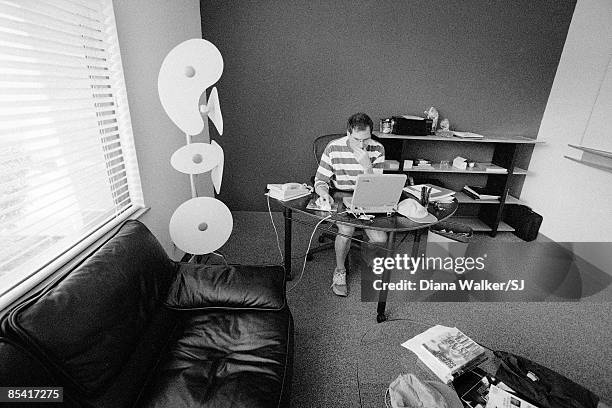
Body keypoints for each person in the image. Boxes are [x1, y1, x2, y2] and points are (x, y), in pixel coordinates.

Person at [314, 113, 387, 296]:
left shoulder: (377, 148)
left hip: (367, 195)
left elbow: (376, 186)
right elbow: (320, 181)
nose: (362, 145)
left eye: (366, 139)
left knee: (380, 239)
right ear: (348, 133)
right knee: (346, 231)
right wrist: (323, 194)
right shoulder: (333, 148)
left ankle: (369, 263)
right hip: (340, 195)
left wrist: (367, 166)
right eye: (356, 140)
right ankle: (340, 271)